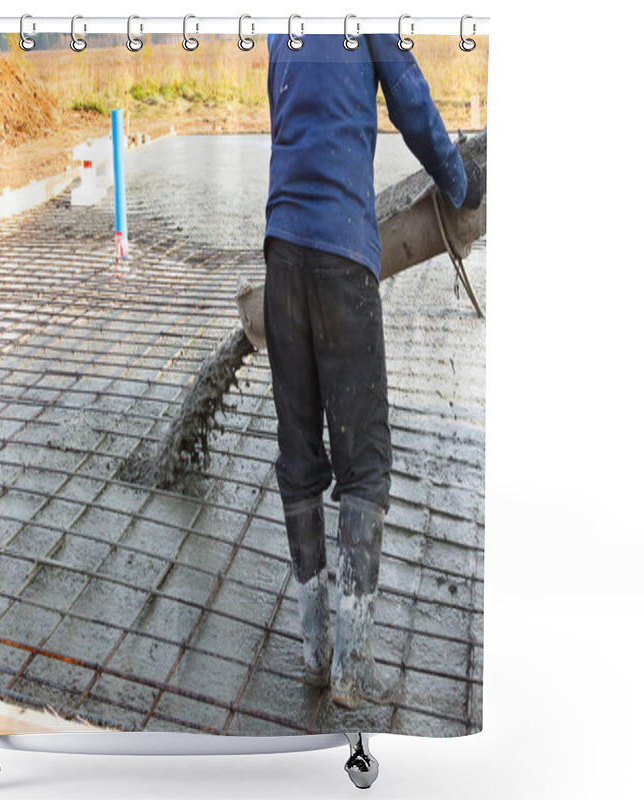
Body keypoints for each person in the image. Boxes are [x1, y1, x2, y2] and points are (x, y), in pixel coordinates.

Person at [263, 33, 484, 710]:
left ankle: (313, 653)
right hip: (340, 260)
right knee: (365, 464)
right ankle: (353, 670)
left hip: (279, 258)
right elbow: (412, 103)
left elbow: (290, 114)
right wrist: (460, 182)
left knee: (299, 457)